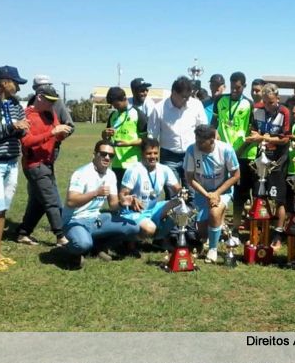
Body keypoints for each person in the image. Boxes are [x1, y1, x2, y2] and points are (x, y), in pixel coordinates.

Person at [62, 141, 141, 269]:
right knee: (82, 244)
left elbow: (113, 206)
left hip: (96, 218)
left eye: (111, 155)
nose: (107, 158)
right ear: (94, 154)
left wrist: (123, 203)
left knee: (133, 228)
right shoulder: (81, 173)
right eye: (103, 154)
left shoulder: (110, 175)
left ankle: (98, 247)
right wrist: (95, 193)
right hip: (74, 220)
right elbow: (71, 201)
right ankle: (72, 251)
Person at [16, 84, 73, 247]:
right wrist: (52, 132)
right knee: (52, 200)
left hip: (48, 163)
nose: (52, 104)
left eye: (54, 101)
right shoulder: (27, 116)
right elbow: (26, 142)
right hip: (34, 164)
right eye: (49, 101)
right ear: (39, 97)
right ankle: (61, 236)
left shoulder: (50, 113)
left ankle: (23, 233)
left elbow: (56, 137)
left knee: (38, 202)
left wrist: (61, 134)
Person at [0, 66, 30, 271]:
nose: (19, 89)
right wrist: (11, 127)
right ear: (4, 82)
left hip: (12, 162)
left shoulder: (15, 104)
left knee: (2, 209)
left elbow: (21, 129)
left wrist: (22, 129)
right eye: (16, 83)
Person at [185, 125, 241, 263]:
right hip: (202, 192)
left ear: (211, 140)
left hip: (222, 191)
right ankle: (215, 231)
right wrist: (207, 195)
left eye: (200, 142)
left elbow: (236, 175)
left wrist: (216, 193)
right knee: (203, 230)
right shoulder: (191, 150)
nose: (197, 144)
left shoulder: (226, 150)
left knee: (214, 213)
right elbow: (189, 178)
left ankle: (213, 249)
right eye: (196, 140)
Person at [246, 83, 291, 250]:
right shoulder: (256, 110)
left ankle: (278, 235)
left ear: (277, 98)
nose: (268, 106)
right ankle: (258, 233)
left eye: (271, 102)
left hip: (278, 161)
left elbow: (286, 139)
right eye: (265, 102)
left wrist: (265, 138)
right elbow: (253, 132)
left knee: (279, 199)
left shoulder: (284, 112)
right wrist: (255, 138)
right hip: (261, 160)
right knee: (259, 196)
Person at [147, 76, 208, 200]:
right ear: (174, 93)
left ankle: (192, 218)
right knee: (172, 193)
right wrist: (151, 158)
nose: (187, 100)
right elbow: (152, 136)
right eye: (184, 97)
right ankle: (172, 218)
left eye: (189, 96)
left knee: (192, 191)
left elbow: (203, 130)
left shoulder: (196, 105)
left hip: (192, 154)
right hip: (168, 156)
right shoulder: (159, 109)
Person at [211, 71, 256, 231]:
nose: (235, 90)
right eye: (232, 87)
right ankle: (220, 223)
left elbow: (252, 131)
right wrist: (214, 137)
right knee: (220, 189)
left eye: (238, 87)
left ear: (244, 86)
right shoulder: (220, 100)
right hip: (223, 153)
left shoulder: (249, 104)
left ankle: (236, 226)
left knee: (240, 193)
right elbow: (214, 123)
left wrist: (239, 151)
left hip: (242, 154)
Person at [119, 138, 182, 244]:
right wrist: (130, 199)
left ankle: (159, 239)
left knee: (181, 207)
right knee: (149, 228)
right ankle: (128, 241)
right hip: (133, 213)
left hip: (152, 209)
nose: (153, 157)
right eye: (149, 153)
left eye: (155, 153)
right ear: (142, 153)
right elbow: (121, 195)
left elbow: (177, 188)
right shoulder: (134, 170)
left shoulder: (164, 169)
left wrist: (183, 193)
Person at [102, 86, 148, 189]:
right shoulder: (113, 115)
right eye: (113, 105)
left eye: (117, 104)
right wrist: (105, 134)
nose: (115, 107)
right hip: (116, 164)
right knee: (119, 197)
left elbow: (145, 140)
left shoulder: (138, 114)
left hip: (133, 164)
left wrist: (128, 143)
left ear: (124, 98)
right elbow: (106, 140)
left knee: (134, 197)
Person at [32, 75, 75, 160]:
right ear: (35, 88)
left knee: (45, 171)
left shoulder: (57, 102)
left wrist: (58, 137)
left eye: (47, 85)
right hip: (33, 149)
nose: (45, 88)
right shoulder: (31, 101)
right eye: (41, 86)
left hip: (50, 149)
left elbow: (70, 126)